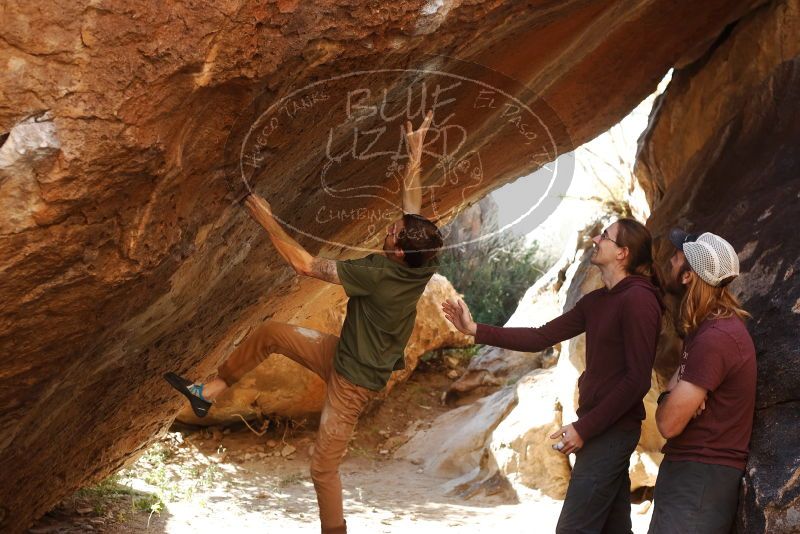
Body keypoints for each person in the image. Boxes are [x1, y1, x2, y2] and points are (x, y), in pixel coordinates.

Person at [164, 111, 442, 534]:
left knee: (322, 469)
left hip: (354, 383)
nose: (390, 228)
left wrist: (265, 218)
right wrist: (415, 154)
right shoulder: (420, 262)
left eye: (393, 234)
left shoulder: (378, 274)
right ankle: (208, 393)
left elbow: (305, 265)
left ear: (400, 253)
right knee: (271, 333)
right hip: (343, 354)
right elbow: (412, 209)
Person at [443, 219, 664, 533]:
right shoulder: (598, 301)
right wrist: (474, 330)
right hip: (599, 428)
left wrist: (583, 429)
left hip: (612, 432)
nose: (596, 240)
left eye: (605, 236)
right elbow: (539, 337)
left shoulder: (639, 299)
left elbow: (637, 380)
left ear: (622, 254)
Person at [648, 230, 755, 534]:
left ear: (687, 276)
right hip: (688, 476)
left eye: (678, 255)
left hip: (700, 481)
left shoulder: (716, 338)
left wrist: (669, 398)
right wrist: (678, 394)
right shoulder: (703, 329)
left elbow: (668, 424)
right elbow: (675, 393)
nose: (671, 259)